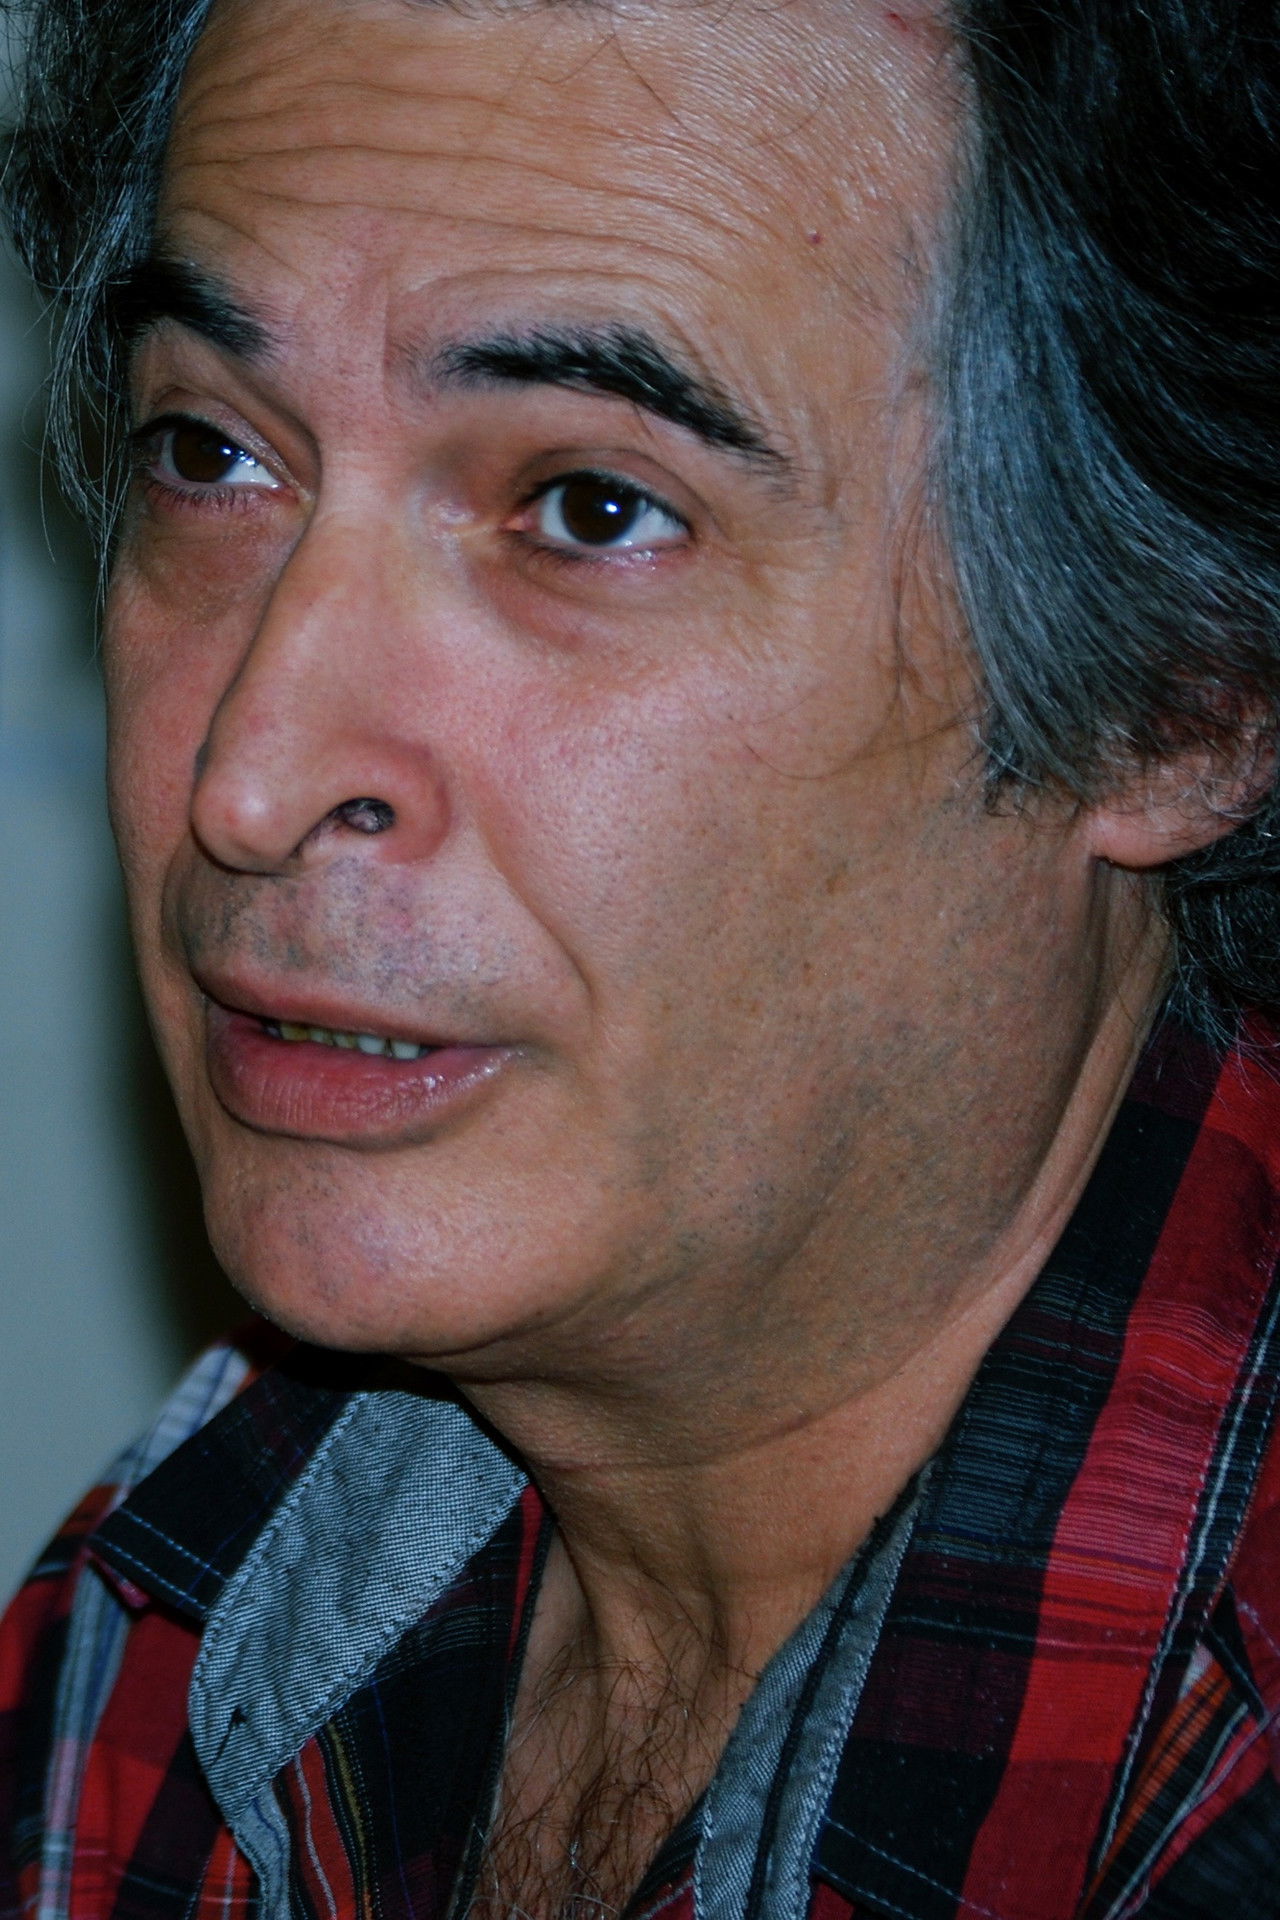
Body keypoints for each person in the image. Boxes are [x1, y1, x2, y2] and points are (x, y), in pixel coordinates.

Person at [3, 0, 1280, 1913]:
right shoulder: (177, 1607)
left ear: (1182, 694)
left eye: (588, 510)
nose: (249, 779)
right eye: (212, 453)